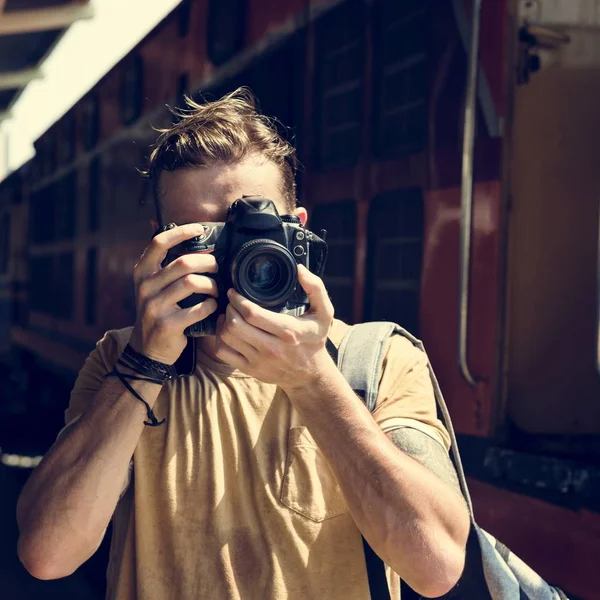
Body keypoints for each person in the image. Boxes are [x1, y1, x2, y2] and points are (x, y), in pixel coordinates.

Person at [16, 88, 470, 600]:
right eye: (203, 236)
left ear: (297, 231)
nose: (235, 259)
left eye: (250, 233)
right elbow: (47, 555)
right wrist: (145, 365)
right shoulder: (120, 363)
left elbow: (437, 566)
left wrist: (313, 380)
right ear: (160, 243)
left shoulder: (379, 361)